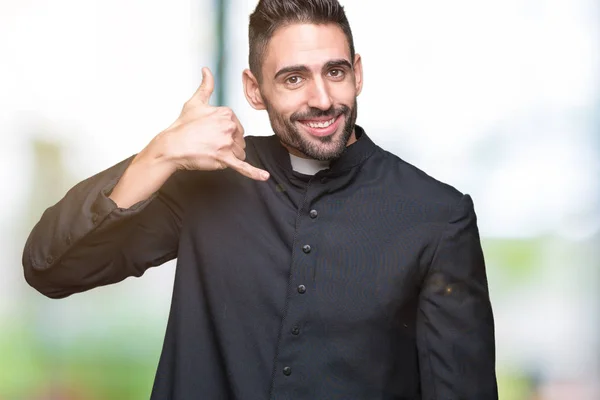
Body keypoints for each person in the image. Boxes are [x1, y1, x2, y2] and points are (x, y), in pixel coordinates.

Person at [22, 0, 498, 398]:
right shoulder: (203, 177)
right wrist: (160, 153)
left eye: (334, 72)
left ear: (357, 73)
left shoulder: (437, 216)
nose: (322, 98)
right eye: (293, 79)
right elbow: (50, 268)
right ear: (254, 90)